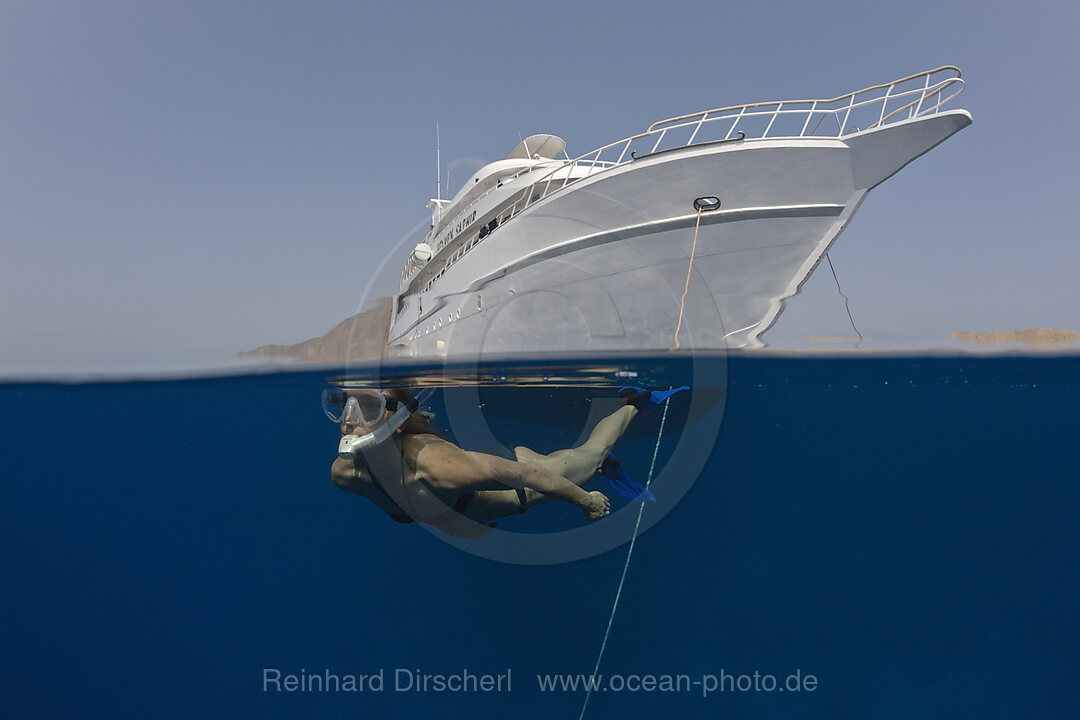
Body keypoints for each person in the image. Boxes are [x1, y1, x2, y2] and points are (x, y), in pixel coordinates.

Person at [326, 386, 683, 539]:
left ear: (398, 420)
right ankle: (592, 462)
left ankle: (635, 402)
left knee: (588, 459)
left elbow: (523, 475)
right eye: (345, 405)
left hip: (511, 489)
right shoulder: (346, 474)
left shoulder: (438, 468)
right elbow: (412, 505)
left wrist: (585, 501)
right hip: (487, 478)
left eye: (368, 407)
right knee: (537, 460)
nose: (350, 418)